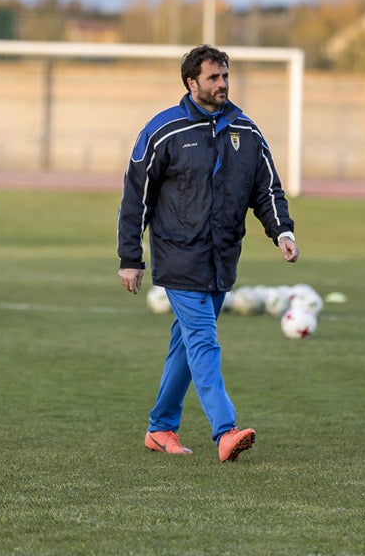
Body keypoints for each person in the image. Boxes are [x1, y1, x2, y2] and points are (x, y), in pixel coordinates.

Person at [117, 44, 300, 462]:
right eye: (214, 78)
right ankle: (226, 431)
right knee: (203, 340)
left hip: (222, 259)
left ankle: (160, 427)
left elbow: (266, 188)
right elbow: (136, 196)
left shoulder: (246, 131)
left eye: (225, 77)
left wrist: (282, 232)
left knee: (184, 344)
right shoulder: (164, 130)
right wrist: (131, 257)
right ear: (191, 82)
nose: (222, 84)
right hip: (178, 257)